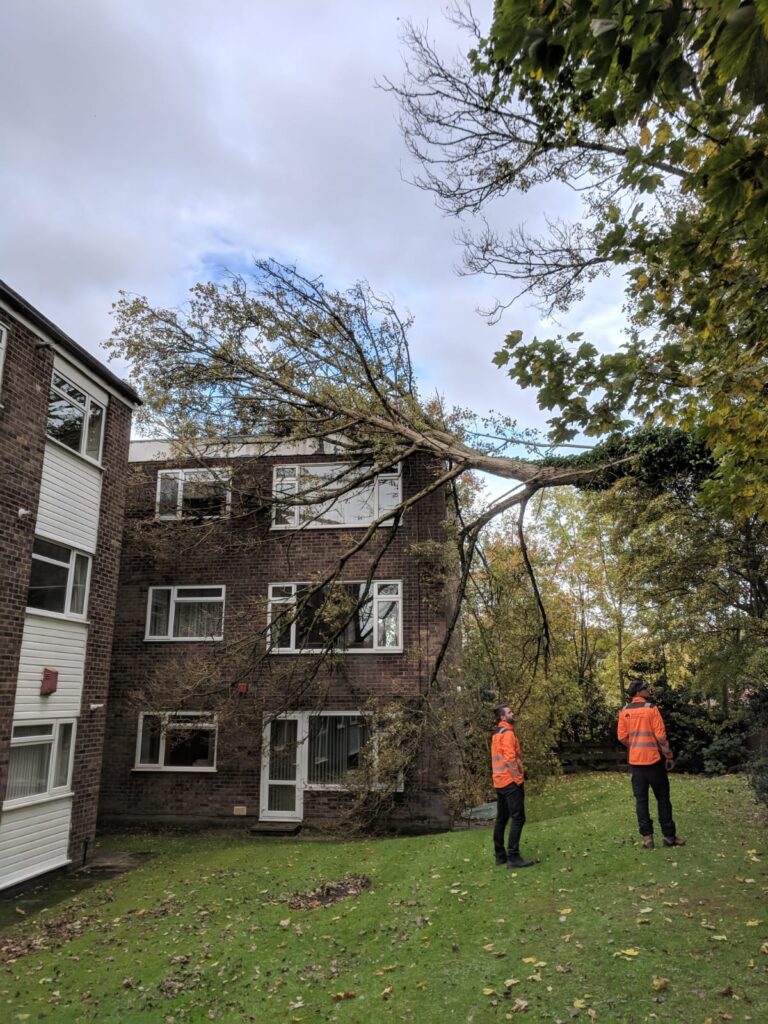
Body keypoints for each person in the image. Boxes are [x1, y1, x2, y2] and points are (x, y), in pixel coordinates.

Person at [618, 679, 685, 849]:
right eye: (645, 688)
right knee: (663, 799)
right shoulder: (651, 709)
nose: (648, 690)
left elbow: (622, 737)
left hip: (636, 763)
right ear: (638, 692)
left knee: (641, 801)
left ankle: (647, 838)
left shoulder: (624, 712)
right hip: (654, 762)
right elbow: (661, 737)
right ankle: (669, 837)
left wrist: (634, 746)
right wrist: (668, 756)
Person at [491, 705, 535, 868]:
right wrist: (518, 779)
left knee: (502, 818)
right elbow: (510, 759)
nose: (513, 714)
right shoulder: (507, 734)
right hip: (510, 782)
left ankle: (500, 855)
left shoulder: (497, 734)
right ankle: (514, 857)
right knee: (518, 818)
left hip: (499, 781)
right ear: (502, 717)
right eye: (509, 712)